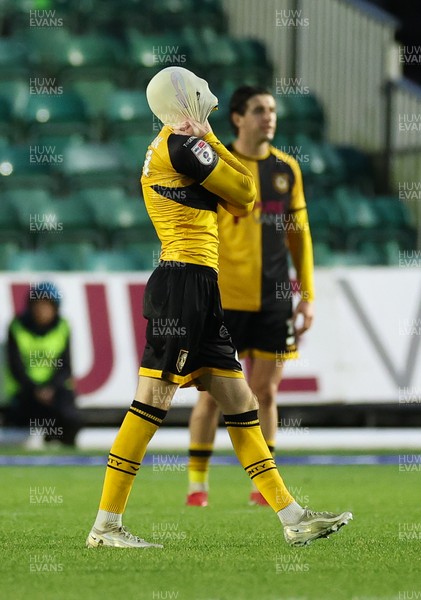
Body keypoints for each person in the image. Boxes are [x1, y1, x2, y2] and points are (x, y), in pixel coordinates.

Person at [86, 66, 352, 549]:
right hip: (184, 284)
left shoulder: (179, 147)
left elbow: (240, 203)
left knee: (242, 402)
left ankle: (292, 517)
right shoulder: (185, 145)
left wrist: (214, 144)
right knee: (152, 401)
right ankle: (106, 525)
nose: (208, 95)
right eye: (199, 90)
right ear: (183, 99)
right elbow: (247, 192)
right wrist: (214, 139)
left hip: (199, 286)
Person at [186, 86, 314, 507]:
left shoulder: (286, 169)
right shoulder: (217, 163)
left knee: (266, 393)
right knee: (211, 395)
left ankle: (262, 487)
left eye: (272, 109)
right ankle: (197, 485)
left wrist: (306, 295)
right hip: (222, 297)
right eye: (259, 110)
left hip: (274, 299)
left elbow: (300, 237)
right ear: (237, 118)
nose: (269, 116)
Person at [5, 281, 81, 446]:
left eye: (46, 306)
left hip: (55, 391)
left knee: (70, 417)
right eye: (38, 305)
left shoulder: (63, 327)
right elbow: (15, 367)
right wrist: (35, 389)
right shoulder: (17, 327)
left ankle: (63, 450)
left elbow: (65, 367)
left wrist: (50, 388)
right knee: (18, 418)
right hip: (26, 392)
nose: (41, 311)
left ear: (55, 308)